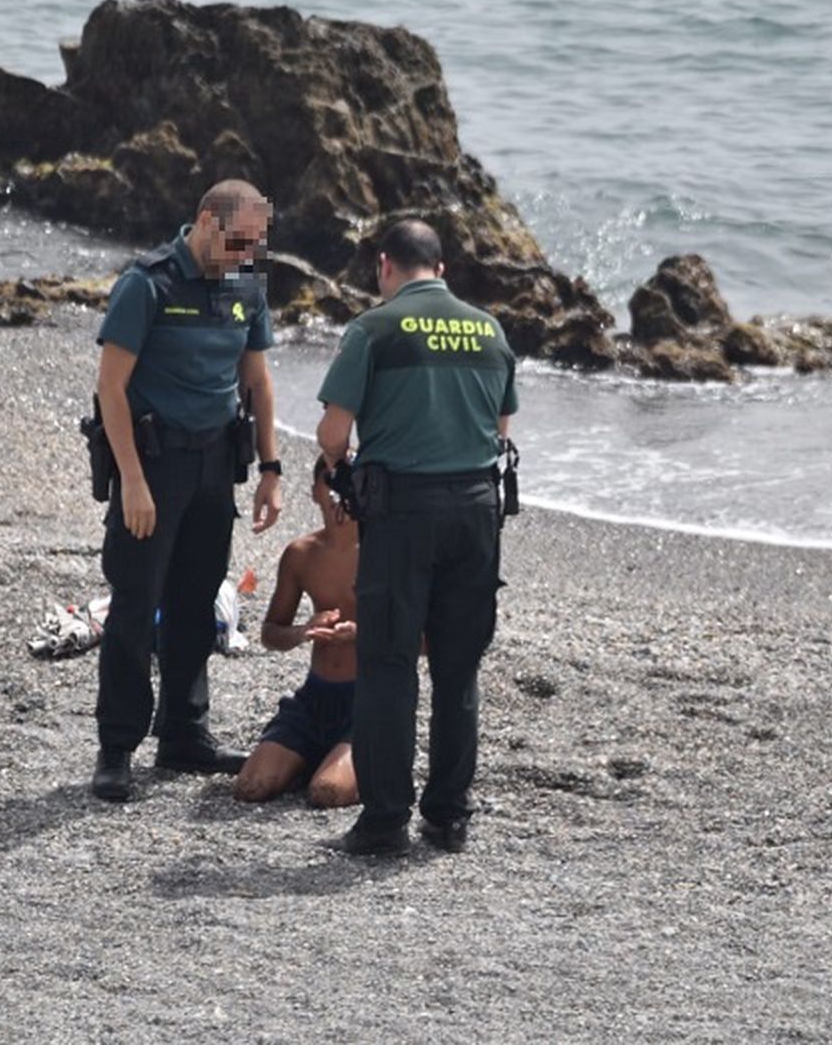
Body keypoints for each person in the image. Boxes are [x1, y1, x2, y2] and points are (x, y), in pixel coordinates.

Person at [315, 218, 517, 855]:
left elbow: (332, 432)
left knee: (388, 664)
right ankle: (449, 817)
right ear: (443, 269)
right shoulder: (488, 329)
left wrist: (339, 474)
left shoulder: (374, 329)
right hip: (477, 510)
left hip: (403, 512)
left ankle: (384, 821)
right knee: (458, 668)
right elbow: (503, 430)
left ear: (384, 267)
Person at [91, 180, 284, 802]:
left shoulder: (245, 286)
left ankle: (183, 733)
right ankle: (118, 746)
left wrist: (271, 468)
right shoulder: (146, 284)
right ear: (205, 222)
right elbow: (111, 390)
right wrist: (134, 484)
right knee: (134, 602)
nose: (247, 254)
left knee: (197, 599)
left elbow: (257, 381)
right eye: (238, 241)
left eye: (257, 244)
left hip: (213, 463)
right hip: (154, 462)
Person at [233, 455, 360, 809]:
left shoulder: (383, 551)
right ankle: (312, 758)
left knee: (327, 794)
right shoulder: (302, 553)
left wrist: (361, 634)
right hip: (315, 698)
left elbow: (421, 640)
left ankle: (352, 759)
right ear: (314, 491)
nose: (339, 491)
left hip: (369, 699)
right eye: (331, 480)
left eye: (351, 480)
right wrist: (303, 632)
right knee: (251, 787)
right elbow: (271, 632)